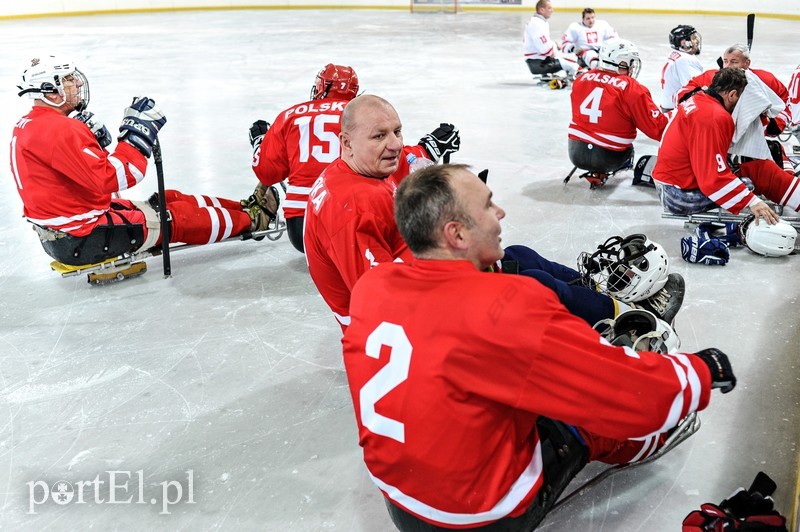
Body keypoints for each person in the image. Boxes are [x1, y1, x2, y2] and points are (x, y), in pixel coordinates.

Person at [342, 163, 736, 532]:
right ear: (456, 234)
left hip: (398, 500)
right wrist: (700, 372)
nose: (500, 213)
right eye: (487, 205)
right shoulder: (506, 307)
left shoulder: (371, 288)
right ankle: (651, 442)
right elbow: (626, 394)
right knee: (587, 416)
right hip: (476, 516)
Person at [10, 55, 277, 267]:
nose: (77, 84)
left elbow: (82, 178)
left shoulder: (32, 125)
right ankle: (254, 221)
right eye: (68, 80)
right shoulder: (60, 130)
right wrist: (136, 138)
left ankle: (244, 208)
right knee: (177, 219)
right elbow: (117, 177)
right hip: (83, 237)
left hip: (68, 228)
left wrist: (93, 145)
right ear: (50, 90)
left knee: (167, 199)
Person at [303, 95, 460, 330]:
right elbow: (383, 302)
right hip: (400, 333)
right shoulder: (355, 207)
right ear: (346, 143)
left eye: (397, 131)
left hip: (408, 295)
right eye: (379, 136)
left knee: (520, 259)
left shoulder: (351, 171)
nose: (395, 144)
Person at [653, 68, 800, 225]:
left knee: (761, 169)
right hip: (678, 195)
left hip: (672, 183)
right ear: (732, 95)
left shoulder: (700, 99)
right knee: (749, 182)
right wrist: (752, 202)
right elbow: (712, 180)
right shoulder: (714, 117)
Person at [248, 64, 359, 253]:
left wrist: (260, 142)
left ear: (322, 87)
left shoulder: (290, 115)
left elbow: (266, 173)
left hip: (300, 229)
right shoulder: (363, 116)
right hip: (351, 224)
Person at [567, 38, 668, 187]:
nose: (632, 68)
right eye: (631, 62)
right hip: (611, 157)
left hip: (575, 152)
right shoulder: (631, 88)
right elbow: (657, 128)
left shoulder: (580, 79)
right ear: (622, 63)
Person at [676, 44, 793, 169]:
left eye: (734, 62)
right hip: (718, 138)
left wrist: (773, 125)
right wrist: (700, 95)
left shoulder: (764, 79)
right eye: (725, 61)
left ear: (747, 63)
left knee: (774, 156)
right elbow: (682, 93)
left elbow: (785, 103)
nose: (728, 66)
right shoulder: (712, 77)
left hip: (754, 139)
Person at [523, 0, 579, 79]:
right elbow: (545, 49)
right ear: (542, 10)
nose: (552, 10)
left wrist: (554, 46)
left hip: (536, 61)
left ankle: (546, 74)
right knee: (574, 64)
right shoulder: (537, 24)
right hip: (540, 63)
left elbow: (543, 44)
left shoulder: (537, 22)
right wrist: (555, 46)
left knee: (566, 58)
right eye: (549, 8)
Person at [658, 25, 704, 112]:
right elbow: (695, 88)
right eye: (693, 38)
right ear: (683, 43)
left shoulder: (676, 55)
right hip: (677, 111)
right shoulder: (685, 60)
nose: (697, 41)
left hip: (669, 108)